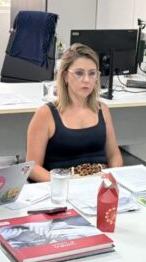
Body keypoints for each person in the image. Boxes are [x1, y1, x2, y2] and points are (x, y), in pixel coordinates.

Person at [26, 44, 123, 181]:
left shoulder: (102, 110)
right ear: (65, 76)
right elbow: (33, 167)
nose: (87, 80)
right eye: (79, 73)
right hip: (63, 186)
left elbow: (114, 156)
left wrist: (110, 180)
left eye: (92, 73)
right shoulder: (46, 114)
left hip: (99, 184)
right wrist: (65, 185)